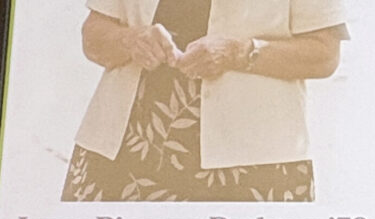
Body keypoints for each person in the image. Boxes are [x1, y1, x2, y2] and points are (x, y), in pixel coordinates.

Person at [63, 0, 348, 201]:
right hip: (122, 157)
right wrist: (131, 40)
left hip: (253, 169)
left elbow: (323, 54)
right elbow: (93, 37)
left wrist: (239, 52)